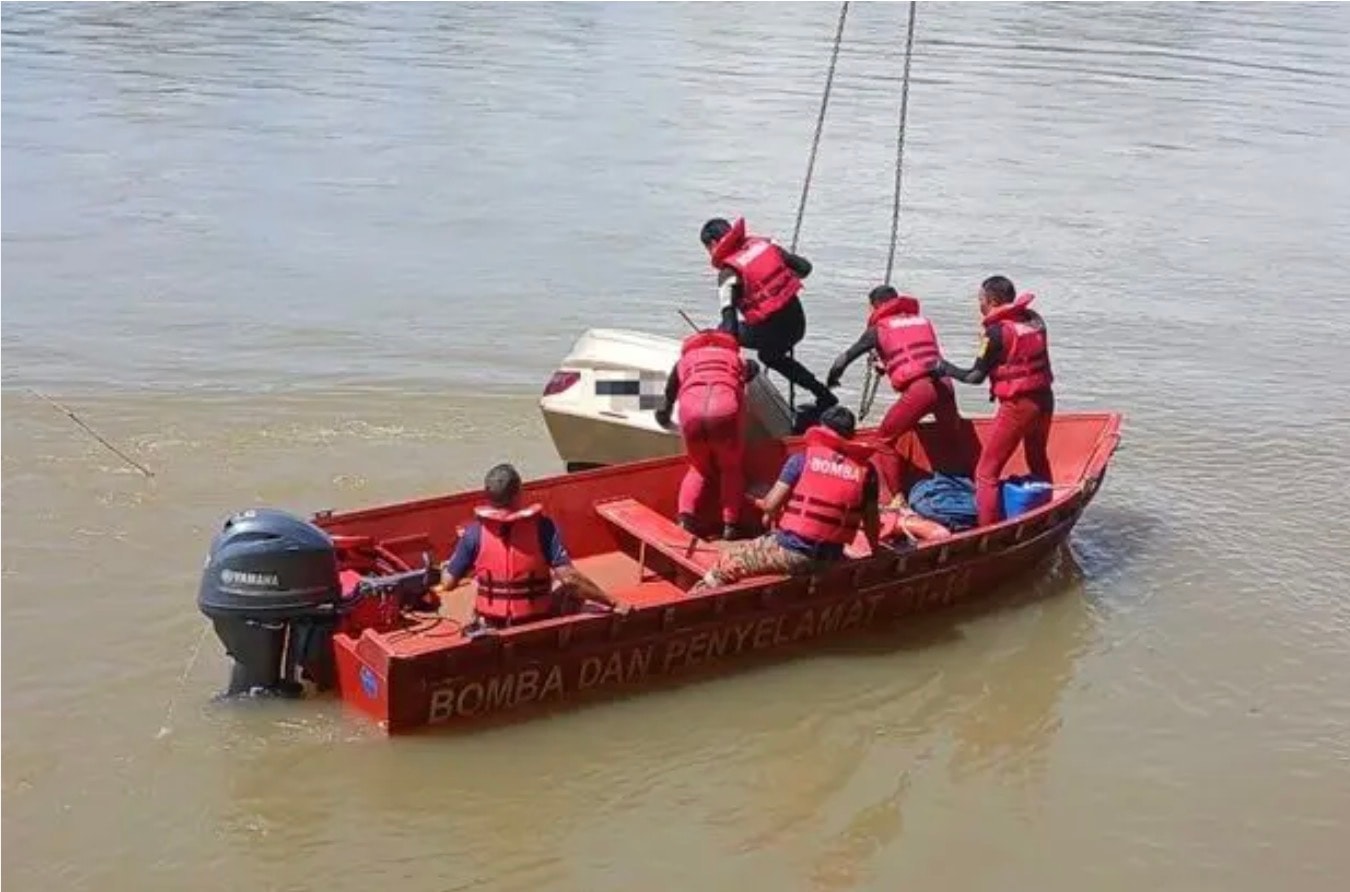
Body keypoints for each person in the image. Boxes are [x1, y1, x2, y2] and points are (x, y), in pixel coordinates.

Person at [694, 406, 880, 590]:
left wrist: (755, 500)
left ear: (821, 429)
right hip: (831, 557)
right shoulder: (867, 472)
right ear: (851, 436)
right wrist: (875, 552)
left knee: (729, 560)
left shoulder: (801, 460)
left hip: (794, 552)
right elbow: (872, 521)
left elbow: (770, 505)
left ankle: (696, 600)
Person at [440, 463, 629, 630]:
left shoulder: (474, 533)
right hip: (537, 621)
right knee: (569, 590)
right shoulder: (542, 527)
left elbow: (447, 583)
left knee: (476, 583)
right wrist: (612, 602)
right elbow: (570, 579)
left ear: (488, 496)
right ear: (519, 493)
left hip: (492, 623)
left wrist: (447, 568)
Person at [936, 275, 1054, 527]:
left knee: (986, 473)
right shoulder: (1034, 320)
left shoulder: (995, 333)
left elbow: (974, 376)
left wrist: (945, 368)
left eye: (980, 300)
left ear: (991, 301)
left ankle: (987, 528)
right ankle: (1046, 512)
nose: (978, 305)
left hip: (1018, 406)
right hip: (1044, 399)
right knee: (1037, 457)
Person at [700, 216, 837, 410]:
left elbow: (731, 330)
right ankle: (824, 395)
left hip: (773, 335)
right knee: (770, 355)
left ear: (713, 244)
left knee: (721, 330)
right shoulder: (765, 246)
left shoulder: (728, 273)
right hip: (798, 325)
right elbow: (805, 268)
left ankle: (728, 385)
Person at [826, 284, 968, 463]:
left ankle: (895, 492)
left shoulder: (878, 330)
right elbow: (916, 356)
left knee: (883, 442)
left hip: (920, 392)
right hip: (945, 385)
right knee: (953, 440)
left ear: (875, 307)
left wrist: (832, 378)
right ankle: (966, 477)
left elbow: (843, 360)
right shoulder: (921, 321)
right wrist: (886, 366)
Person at [655, 329, 760, 540]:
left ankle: (686, 519)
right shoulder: (736, 358)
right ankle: (730, 524)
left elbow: (667, 399)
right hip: (725, 413)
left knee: (698, 469)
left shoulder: (683, 363)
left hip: (691, 413)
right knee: (730, 469)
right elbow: (754, 369)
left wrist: (663, 418)